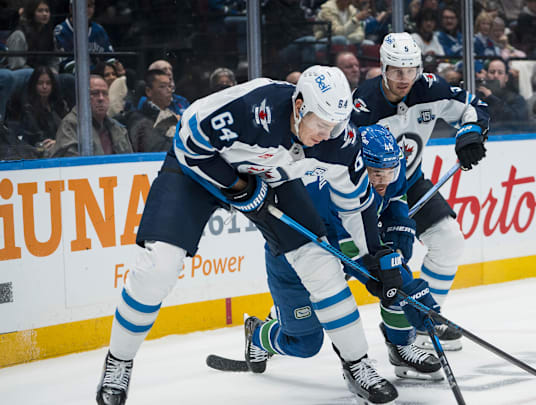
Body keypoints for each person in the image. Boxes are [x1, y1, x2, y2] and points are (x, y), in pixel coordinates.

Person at [96, 66, 403, 405]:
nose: (328, 134)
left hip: (272, 178)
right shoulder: (255, 108)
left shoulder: (339, 141)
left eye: (335, 125)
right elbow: (189, 139)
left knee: (322, 264)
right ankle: (118, 361)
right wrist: (238, 186)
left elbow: (356, 204)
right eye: (321, 124)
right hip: (197, 173)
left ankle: (357, 363)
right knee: (159, 267)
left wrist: (372, 257)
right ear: (299, 106)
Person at [247, 125, 444, 394]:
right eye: (376, 173)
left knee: (391, 271)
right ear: (358, 166)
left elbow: (397, 195)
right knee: (306, 344)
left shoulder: (390, 170)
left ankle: (399, 345)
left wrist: (399, 225)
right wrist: (409, 289)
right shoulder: (331, 188)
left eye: (389, 171)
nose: (383, 180)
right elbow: (360, 253)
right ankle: (258, 335)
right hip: (296, 258)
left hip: (349, 244)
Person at [351, 32, 489, 351]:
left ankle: (424, 322)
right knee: (337, 269)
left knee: (449, 240)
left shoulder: (430, 87)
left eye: (411, 70)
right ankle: (275, 328)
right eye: (397, 71)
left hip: (410, 183)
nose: (405, 79)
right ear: (384, 68)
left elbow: (473, 106)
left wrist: (470, 134)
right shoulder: (363, 105)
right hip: (366, 193)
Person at [49, 75, 132, 157]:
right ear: (82, 97)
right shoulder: (70, 125)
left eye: (105, 93)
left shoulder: (118, 129)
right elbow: (71, 164)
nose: (101, 98)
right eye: (94, 93)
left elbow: (130, 162)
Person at [4, 65, 68, 157]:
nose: (44, 87)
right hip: (38, 152)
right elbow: (34, 139)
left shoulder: (59, 105)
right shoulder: (26, 109)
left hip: (61, 147)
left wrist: (58, 142)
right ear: (34, 85)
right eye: (40, 83)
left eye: (48, 83)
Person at [53, 0, 114, 72]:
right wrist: (96, 71)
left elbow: (109, 57)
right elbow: (67, 65)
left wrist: (115, 66)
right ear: (71, 8)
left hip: (100, 74)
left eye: (89, 6)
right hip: (74, 77)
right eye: (82, 6)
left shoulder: (98, 29)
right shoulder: (61, 31)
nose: (86, 10)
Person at [127, 69, 178, 153]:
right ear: (149, 91)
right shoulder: (139, 120)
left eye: (170, 86)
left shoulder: (173, 114)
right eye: (162, 86)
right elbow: (154, 148)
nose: (169, 90)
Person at [476, 57, 529, 133]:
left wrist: (492, 99)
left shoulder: (517, 98)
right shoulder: (479, 98)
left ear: (506, 78)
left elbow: (520, 123)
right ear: (487, 75)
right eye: (492, 72)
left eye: (500, 73)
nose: (496, 75)